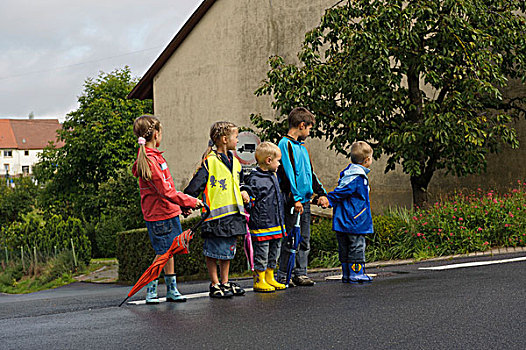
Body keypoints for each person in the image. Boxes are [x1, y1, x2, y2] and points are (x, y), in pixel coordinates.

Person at [132, 115, 203, 304]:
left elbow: (167, 192)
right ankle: (151, 290)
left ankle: (171, 289)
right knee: (163, 253)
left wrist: (180, 206)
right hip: (159, 216)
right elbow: (166, 191)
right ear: (156, 134)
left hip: (167, 212)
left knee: (169, 251)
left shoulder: (155, 158)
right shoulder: (150, 161)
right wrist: (189, 201)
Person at [184, 121, 250, 298]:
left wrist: (244, 191)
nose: (238, 140)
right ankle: (215, 283)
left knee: (227, 250)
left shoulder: (235, 162)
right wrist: (187, 203)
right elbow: (195, 186)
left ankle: (225, 282)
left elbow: (241, 182)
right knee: (213, 250)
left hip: (233, 216)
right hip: (215, 217)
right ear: (224, 139)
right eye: (236, 137)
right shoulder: (210, 162)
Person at [276, 107, 330, 286]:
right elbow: (288, 173)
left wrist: (321, 193)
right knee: (290, 237)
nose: (309, 132)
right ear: (301, 125)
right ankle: (285, 274)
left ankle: (301, 272)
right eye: (309, 128)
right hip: (293, 201)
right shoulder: (285, 145)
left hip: (304, 202)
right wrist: (295, 198)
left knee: (303, 239)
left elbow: (310, 174)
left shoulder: (302, 148)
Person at [327, 141, 374, 283]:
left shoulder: (348, 174)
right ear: (367, 160)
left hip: (343, 219)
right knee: (357, 246)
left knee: (345, 247)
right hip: (354, 220)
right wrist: (328, 199)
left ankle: (347, 273)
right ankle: (356, 273)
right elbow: (341, 192)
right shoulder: (357, 177)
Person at [242, 142, 287, 292]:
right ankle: (259, 278)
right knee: (262, 252)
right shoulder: (254, 178)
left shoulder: (273, 176)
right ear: (268, 161)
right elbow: (248, 193)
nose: (279, 164)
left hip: (276, 222)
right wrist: (246, 195)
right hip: (262, 225)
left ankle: (270, 276)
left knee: (275, 252)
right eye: (278, 161)